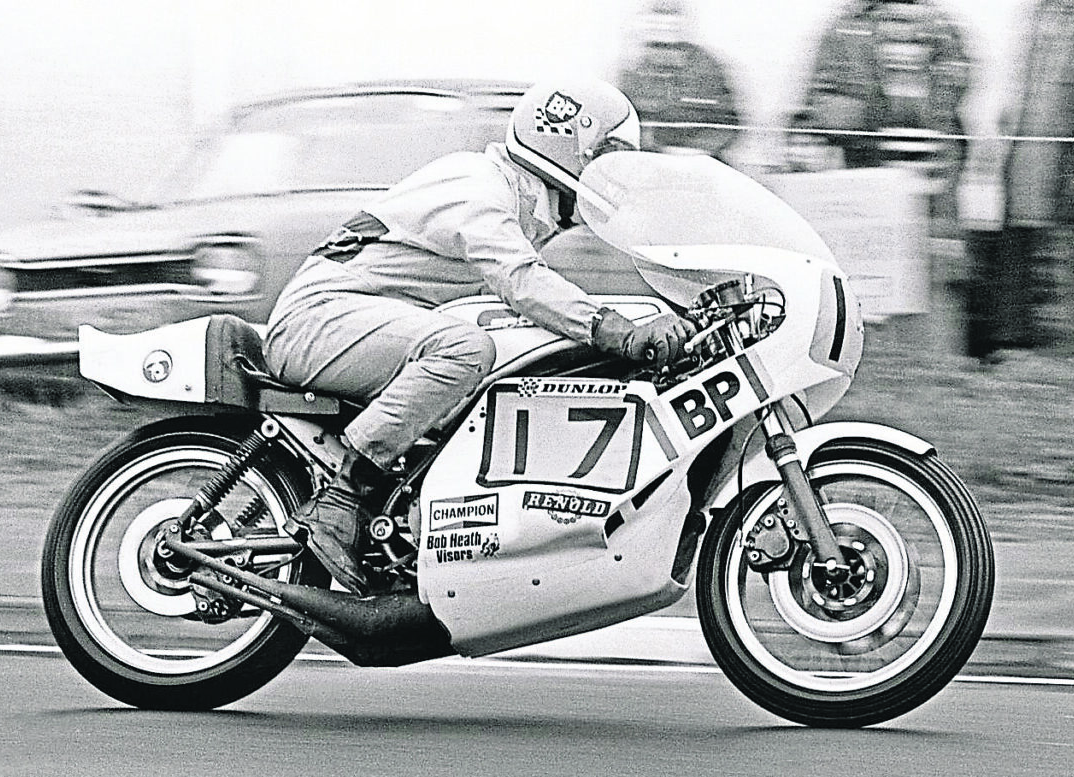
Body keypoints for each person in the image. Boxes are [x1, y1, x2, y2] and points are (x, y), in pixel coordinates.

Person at [262, 79, 696, 592]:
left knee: (497, 362)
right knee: (465, 350)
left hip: (353, 318)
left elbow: (522, 295)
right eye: (605, 159)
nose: (611, 179)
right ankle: (342, 499)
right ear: (568, 146)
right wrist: (615, 330)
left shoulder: (514, 204)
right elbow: (521, 281)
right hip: (316, 319)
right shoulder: (477, 186)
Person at [963, 0, 1074, 360]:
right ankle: (1019, 347)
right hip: (1028, 173)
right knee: (1025, 264)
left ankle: (1068, 355)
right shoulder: (1038, 14)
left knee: (1072, 287)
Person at [794, 0, 971, 229]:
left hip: (930, 169)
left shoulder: (937, 21)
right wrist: (866, 113)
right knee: (874, 243)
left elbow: (956, 80)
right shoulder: (846, 25)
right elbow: (820, 99)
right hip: (867, 170)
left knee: (933, 241)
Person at [615, 0, 744, 163]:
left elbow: (729, 123)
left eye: (670, 19)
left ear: (681, 23)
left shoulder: (706, 67)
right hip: (653, 164)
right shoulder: (635, 72)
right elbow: (625, 124)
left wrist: (697, 150)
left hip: (701, 163)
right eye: (657, 20)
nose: (664, 26)